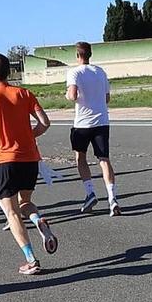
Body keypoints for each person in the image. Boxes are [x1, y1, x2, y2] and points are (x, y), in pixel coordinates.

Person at [0, 52, 58, 275]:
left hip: (4, 160)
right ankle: (39, 221)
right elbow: (45, 123)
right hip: (29, 158)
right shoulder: (24, 93)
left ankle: (31, 258)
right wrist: (30, 135)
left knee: (11, 213)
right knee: (26, 202)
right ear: (9, 72)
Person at [65, 41, 120, 215]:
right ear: (90, 54)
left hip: (82, 123)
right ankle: (112, 197)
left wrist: (67, 95)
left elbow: (73, 95)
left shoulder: (74, 72)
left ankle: (90, 192)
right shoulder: (100, 72)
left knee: (80, 157)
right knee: (104, 159)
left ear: (77, 55)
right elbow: (107, 98)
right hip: (101, 121)